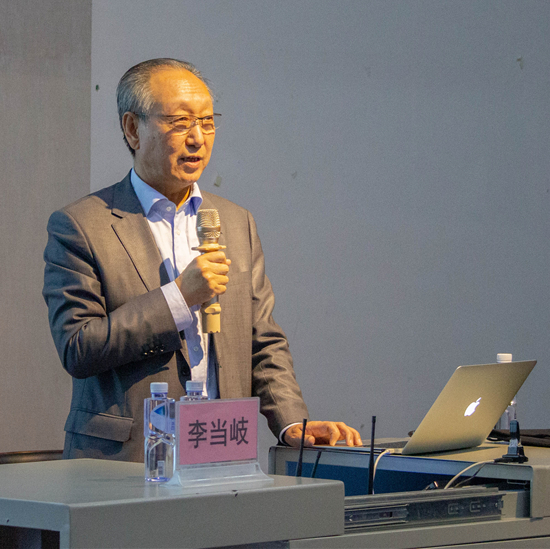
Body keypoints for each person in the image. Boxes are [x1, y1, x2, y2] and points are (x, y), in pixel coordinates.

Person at [43, 58, 360, 460]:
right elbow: (78, 347)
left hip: (220, 450)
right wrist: (178, 298)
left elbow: (262, 338)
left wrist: (291, 421)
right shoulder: (82, 225)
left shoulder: (235, 221)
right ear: (133, 129)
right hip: (125, 461)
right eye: (180, 122)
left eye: (208, 123)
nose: (197, 138)